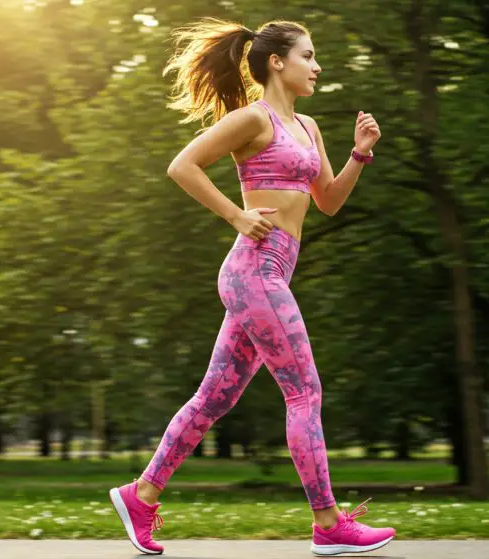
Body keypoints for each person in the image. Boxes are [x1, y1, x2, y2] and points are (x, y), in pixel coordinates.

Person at [108, 17, 393, 557]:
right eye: (308, 55)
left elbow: (328, 200)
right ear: (278, 62)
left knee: (213, 398)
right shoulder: (251, 119)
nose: (318, 65)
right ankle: (328, 522)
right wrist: (237, 216)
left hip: (272, 272)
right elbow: (183, 165)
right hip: (253, 270)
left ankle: (140, 495)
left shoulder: (307, 127)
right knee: (304, 391)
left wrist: (360, 153)